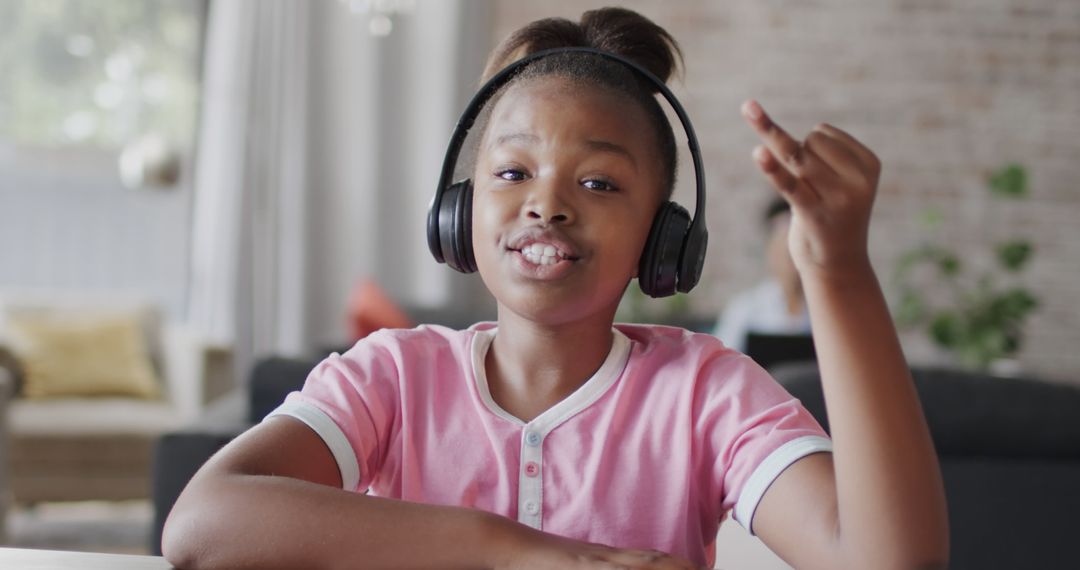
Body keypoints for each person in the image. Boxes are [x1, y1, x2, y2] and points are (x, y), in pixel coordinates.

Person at [162, 8, 948, 570]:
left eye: (601, 181)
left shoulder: (708, 395)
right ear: (459, 210)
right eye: (511, 172)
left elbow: (890, 560)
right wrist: (517, 552)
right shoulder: (392, 375)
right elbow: (202, 523)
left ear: (662, 239)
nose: (546, 201)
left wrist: (838, 271)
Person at [713, 198, 810, 353]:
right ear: (770, 251)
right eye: (784, 249)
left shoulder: (827, 311)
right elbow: (721, 365)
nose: (791, 258)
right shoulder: (746, 310)